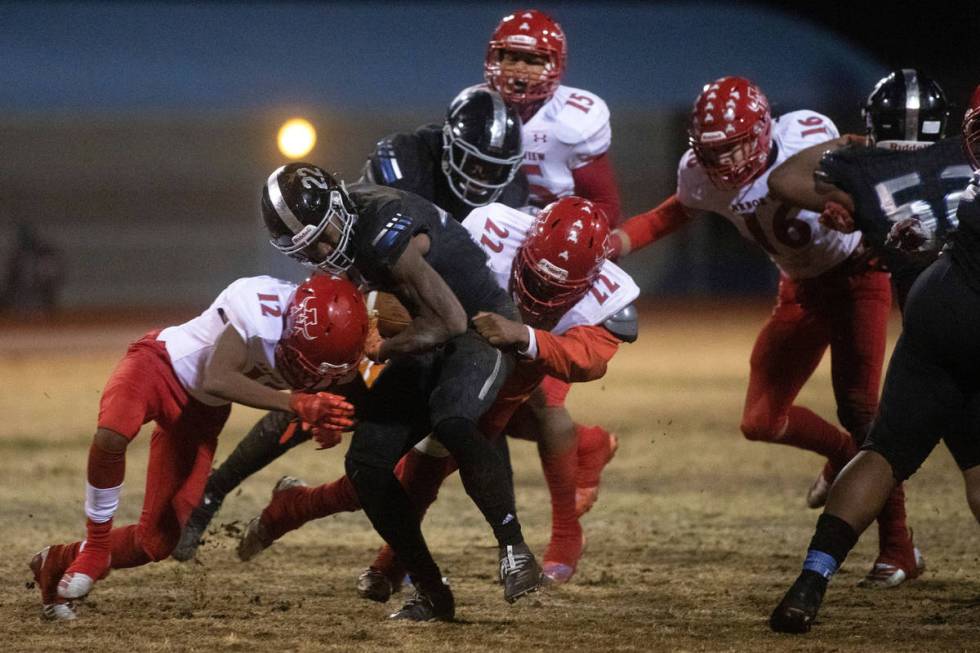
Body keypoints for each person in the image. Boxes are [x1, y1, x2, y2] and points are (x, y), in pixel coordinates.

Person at [172, 86, 529, 562]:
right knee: (330, 386)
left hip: (467, 311)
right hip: (393, 294)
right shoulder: (404, 163)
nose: (483, 178)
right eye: (475, 162)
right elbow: (362, 244)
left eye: (494, 169)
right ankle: (217, 494)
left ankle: (336, 535)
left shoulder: (517, 194)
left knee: (470, 427)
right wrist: (375, 329)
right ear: (449, 147)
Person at [236, 197, 638, 599]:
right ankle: (327, 527)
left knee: (428, 464)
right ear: (525, 246)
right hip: (444, 354)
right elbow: (426, 281)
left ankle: (326, 526)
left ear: (590, 281)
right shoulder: (491, 231)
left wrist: (525, 335)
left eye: (556, 288)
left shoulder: (609, 297)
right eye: (532, 277)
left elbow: (588, 362)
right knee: (387, 469)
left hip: (510, 378)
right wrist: (380, 322)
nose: (537, 293)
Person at [609, 75, 917, 582]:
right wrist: (616, 242)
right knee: (760, 418)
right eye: (715, 151)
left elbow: (856, 171)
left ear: (763, 129)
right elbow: (672, 214)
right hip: (800, 288)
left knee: (861, 408)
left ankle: (899, 547)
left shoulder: (804, 135)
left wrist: (847, 206)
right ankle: (843, 455)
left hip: (857, 275)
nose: (726, 163)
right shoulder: (699, 172)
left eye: (735, 148)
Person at [260, 163, 541, 620]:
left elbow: (450, 321)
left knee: (452, 419)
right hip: (425, 335)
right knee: (366, 464)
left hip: (481, 328)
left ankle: (515, 550)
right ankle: (432, 592)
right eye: (310, 246)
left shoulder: (381, 231)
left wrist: (382, 348)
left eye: (325, 234)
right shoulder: (348, 226)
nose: (325, 249)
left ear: (337, 205)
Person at [28, 274, 368, 620]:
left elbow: (335, 389)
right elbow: (218, 377)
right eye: (304, 363)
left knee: (157, 542)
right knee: (115, 431)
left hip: (202, 415)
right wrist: (297, 403)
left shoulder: (335, 350)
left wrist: (323, 420)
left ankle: (56, 561)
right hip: (161, 365)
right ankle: (97, 544)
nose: (310, 376)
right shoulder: (259, 305)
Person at [769, 83, 980, 634]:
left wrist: (847, 146)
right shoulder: (958, 156)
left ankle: (809, 583)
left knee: (884, 451)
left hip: (935, 306)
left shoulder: (865, 164)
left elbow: (783, 180)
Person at [483, 4, 624, 541]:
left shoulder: (573, 121)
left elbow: (606, 208)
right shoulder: (477, 109)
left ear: (556, 65)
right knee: (486, 402)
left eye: (531, 60)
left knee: (541, 400)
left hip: (556, 271)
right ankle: (588, 444)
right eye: (509, 57)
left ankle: (564, 535)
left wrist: (575, 269)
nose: (518, 71)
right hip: (497, 260)